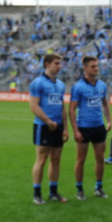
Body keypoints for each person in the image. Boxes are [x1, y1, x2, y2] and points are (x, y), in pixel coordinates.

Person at [69, 55, 112, 200]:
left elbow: (105, 104)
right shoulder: (78, 87)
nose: (96, 68)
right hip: (83, 127)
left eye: (97, 66)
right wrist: (75, 130)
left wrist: (109, 120)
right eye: (93, 66)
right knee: (81, 159)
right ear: (85, 68)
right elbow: (71, 109)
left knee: (100, 157)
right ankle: (79, 189)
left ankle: (99, 187)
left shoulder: (102, 85)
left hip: (99, 127)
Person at [29, 53, 68, 205]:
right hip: (43, 126)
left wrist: (65, 128)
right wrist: (48, 121)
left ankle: (53, 192)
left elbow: (62, 107)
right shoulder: (37, 83)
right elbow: (33, 106)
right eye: (57, 63)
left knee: (56, 160)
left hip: (58, 126)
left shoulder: (60, 84)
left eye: (60, 63)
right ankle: (37, 194)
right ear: (47, 64)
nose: (60, 66)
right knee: (41, 159)